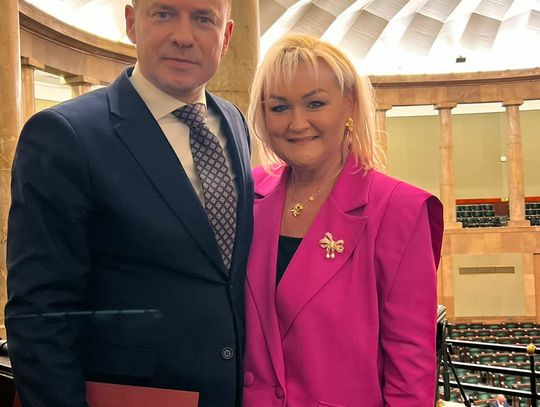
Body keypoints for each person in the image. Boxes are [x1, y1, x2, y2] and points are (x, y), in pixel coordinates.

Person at [5, 0, 253, 406]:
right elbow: (40, 314)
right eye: (164, 13)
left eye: (203, 18)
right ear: (132, 22)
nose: (183, 36)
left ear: (225, 37)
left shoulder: (233, 122)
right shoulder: (66, 135)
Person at [242, 34, 444, 406]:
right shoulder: (246, 193)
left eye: (315, 103)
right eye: (280, 107)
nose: (297, 123)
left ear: (349, 104)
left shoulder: (401, 210)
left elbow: (410, 367)